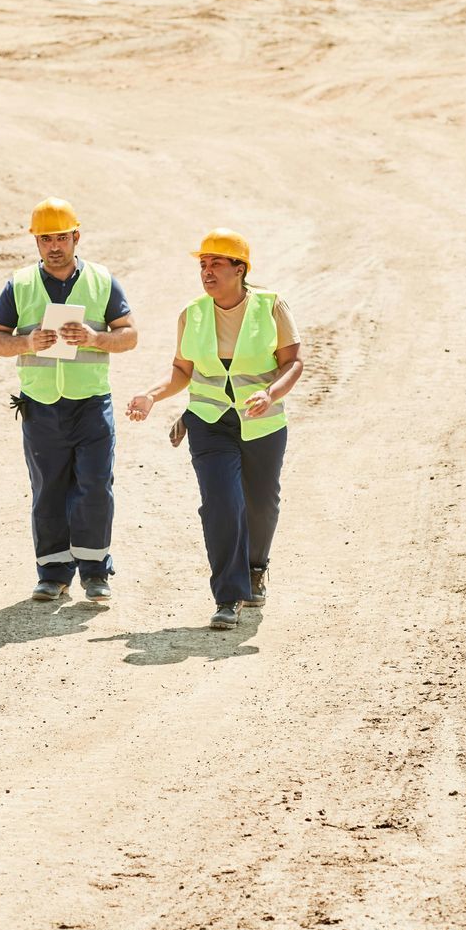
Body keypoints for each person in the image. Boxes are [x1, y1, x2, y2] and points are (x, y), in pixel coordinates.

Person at [127, 229, 302, 630]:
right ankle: (228, 595)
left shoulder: (272, 306)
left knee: (261, 503)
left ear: (240, 269)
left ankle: (256, 567)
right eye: (203, 265)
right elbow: (182, 371)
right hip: (208, 422)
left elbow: (293, 362)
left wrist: (271, 395)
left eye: (216, 264)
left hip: (262, 421)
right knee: (221, 503)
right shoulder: (193, 313)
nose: (207, 272)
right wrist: (153, 395)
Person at [0, 198, 137, 604]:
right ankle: (52, 574)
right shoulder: (19, 284)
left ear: (76, 237)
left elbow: (130, 336)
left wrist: (95, 338)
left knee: (95, 486)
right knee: (48, 489)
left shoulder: (103, 281)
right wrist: (25, 342)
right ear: (36, 241)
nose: (54, 246)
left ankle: (94, 571)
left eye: (61, 238)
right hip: (41, 405)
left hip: (90, 402)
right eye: (45, 238)